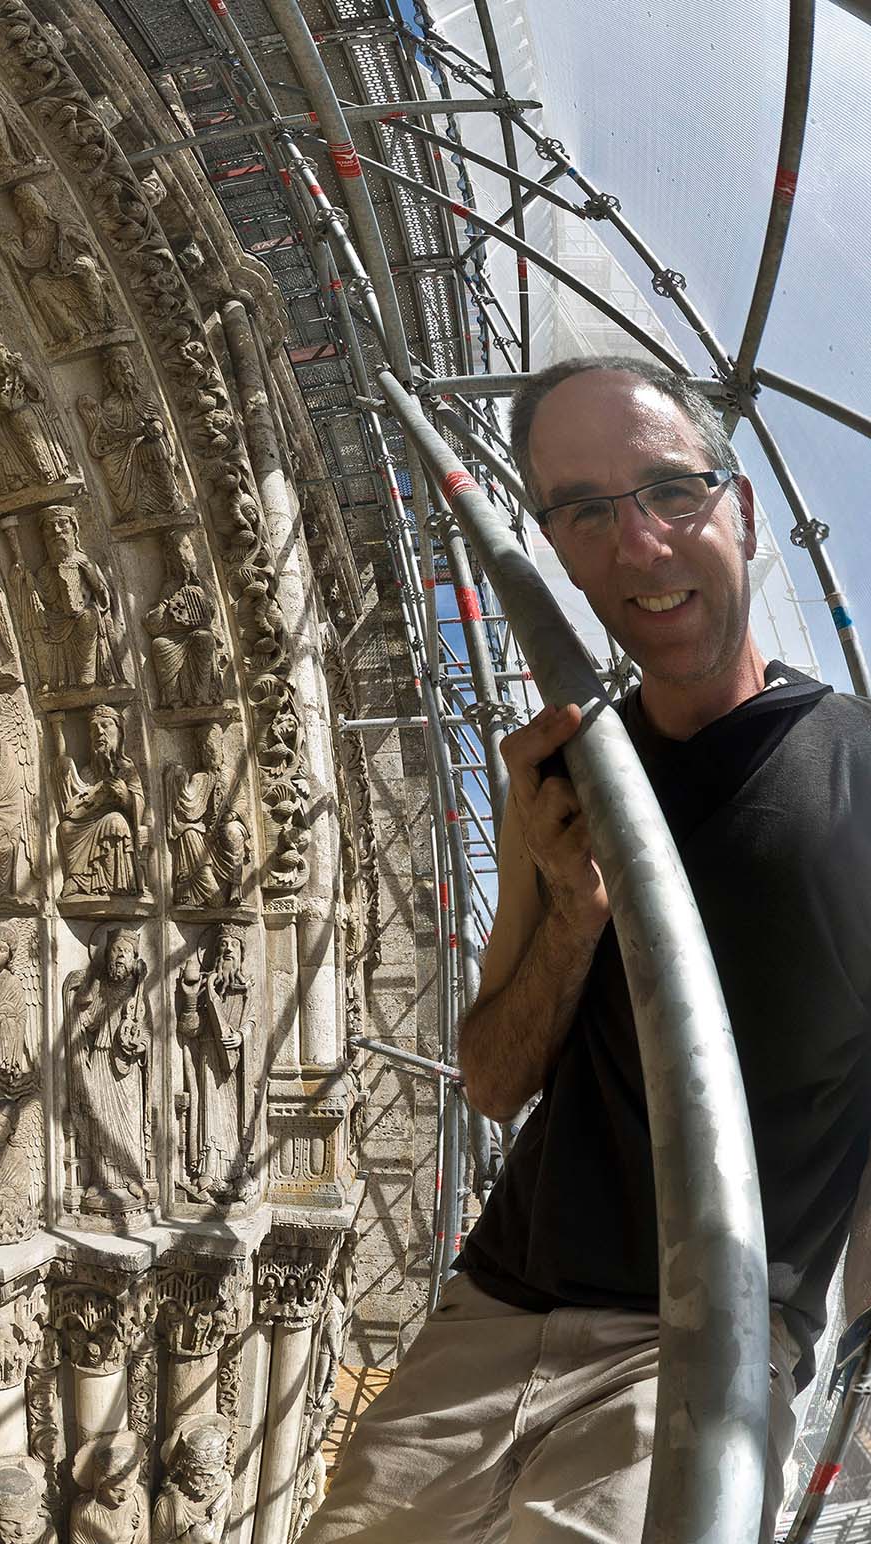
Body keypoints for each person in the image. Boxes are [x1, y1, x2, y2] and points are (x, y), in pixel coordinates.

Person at [300, 356, 871, 1543]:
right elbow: (497, 1076)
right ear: (554, 543)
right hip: (485, 1324)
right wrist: (568, 906)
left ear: (743, 507)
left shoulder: (858, 773)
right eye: (587, 511)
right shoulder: (562, 774)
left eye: (672, 491)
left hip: (695, 1348)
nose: (643, 548)